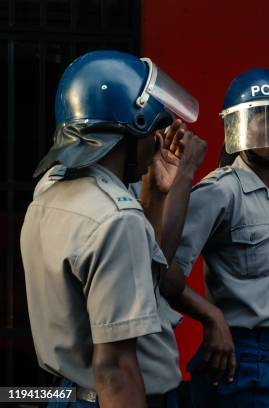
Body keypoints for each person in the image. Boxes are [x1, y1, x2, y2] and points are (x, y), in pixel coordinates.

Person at [20, 50, 207, 407]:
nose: (158, 139)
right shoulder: (117, 220)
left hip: (68, 393)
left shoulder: (49, 189)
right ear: (131, 125)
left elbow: (143, 273)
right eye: (152, 127)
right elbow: (116, 370)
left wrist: (153, 190)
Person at [161, 68, 269, 407]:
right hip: (243, 357)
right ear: (239, 128)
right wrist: (212, 318)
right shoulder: (220, 191)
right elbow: (166, 275)